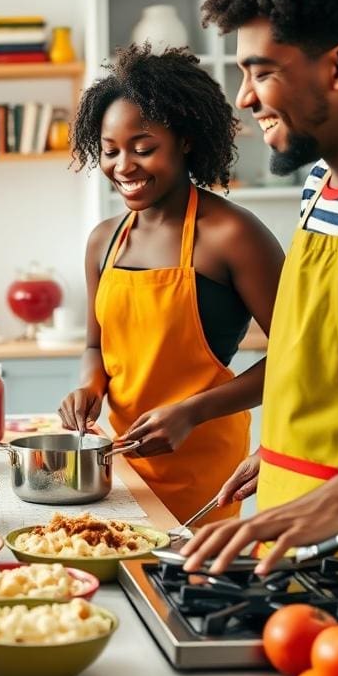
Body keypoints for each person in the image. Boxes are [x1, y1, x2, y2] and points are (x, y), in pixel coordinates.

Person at [182, 0, 338, 575]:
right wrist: (284, 453)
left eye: (263, 72)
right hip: (305, 559)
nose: (244, 98)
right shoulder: (322, 184)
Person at [59, 44, 284, 524]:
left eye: (143, 149)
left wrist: (191, 412)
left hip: (204, 471)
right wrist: (88, 387)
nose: (124, 166)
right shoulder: (104, 241)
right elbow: (96, 346)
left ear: (185, 140)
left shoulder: (232, 235)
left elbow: (298, 358)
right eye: (110, 151)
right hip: (120, 465)